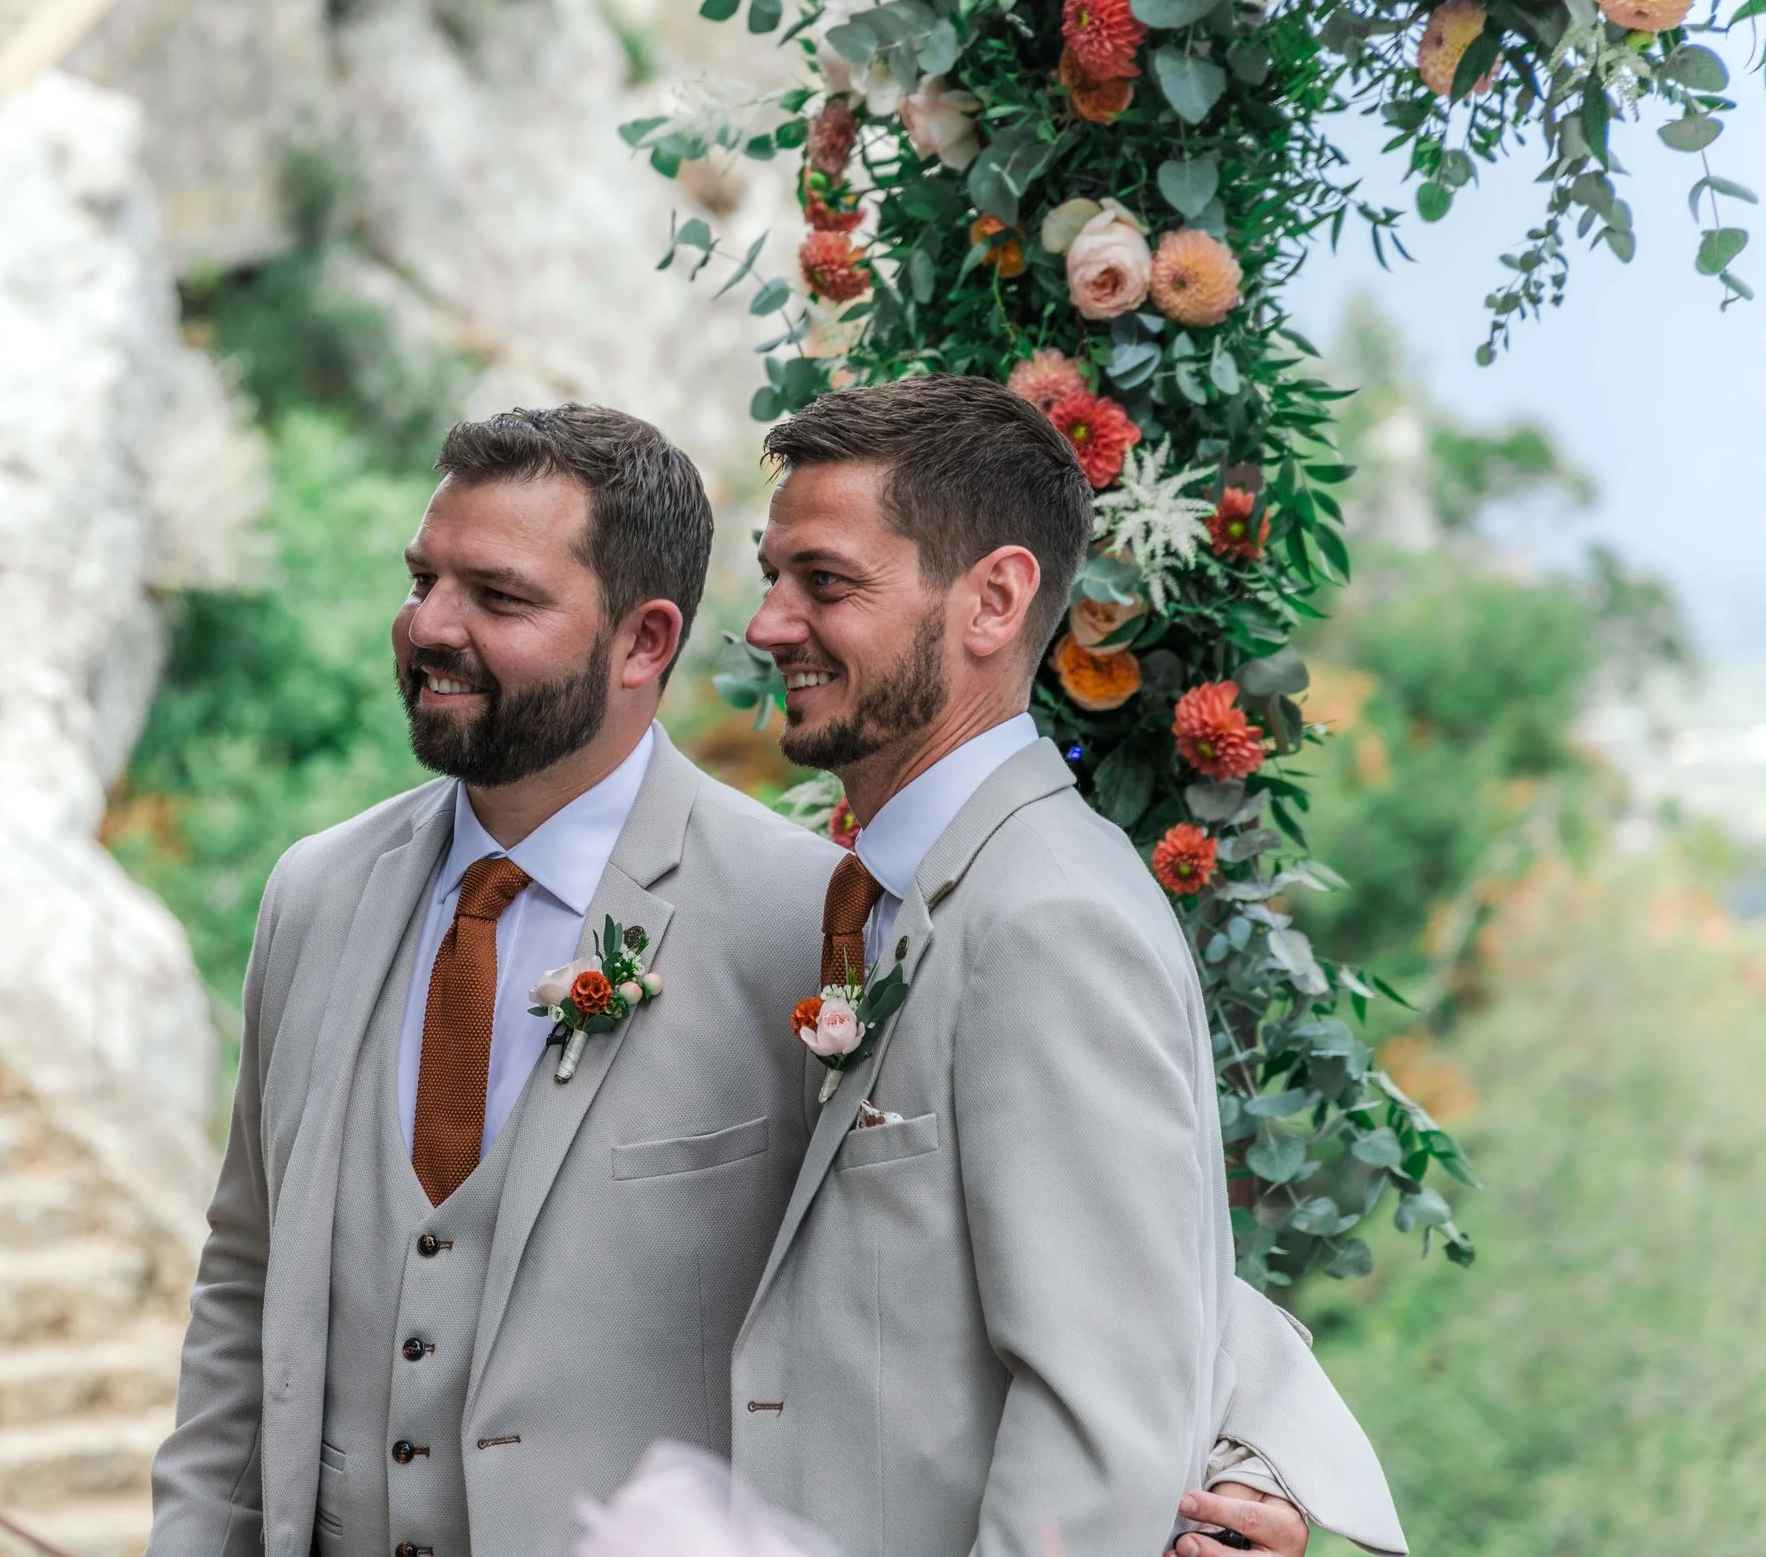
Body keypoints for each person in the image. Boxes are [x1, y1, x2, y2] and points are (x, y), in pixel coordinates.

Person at [145, 403, 1387, 1557]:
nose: (430, 625)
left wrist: (1251, 1456)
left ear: (644, 640)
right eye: (422, 580)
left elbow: (1107, 1255)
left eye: (496, 594)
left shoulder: (821, 917)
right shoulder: (313, 894)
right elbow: (243, 1280)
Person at [728, 374, 1401, 1557]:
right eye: (771, 576)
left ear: (992, 599)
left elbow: (1096, 1442)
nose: (771, 623)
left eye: (823, 582)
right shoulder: (897, 890)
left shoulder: (1045, 919)